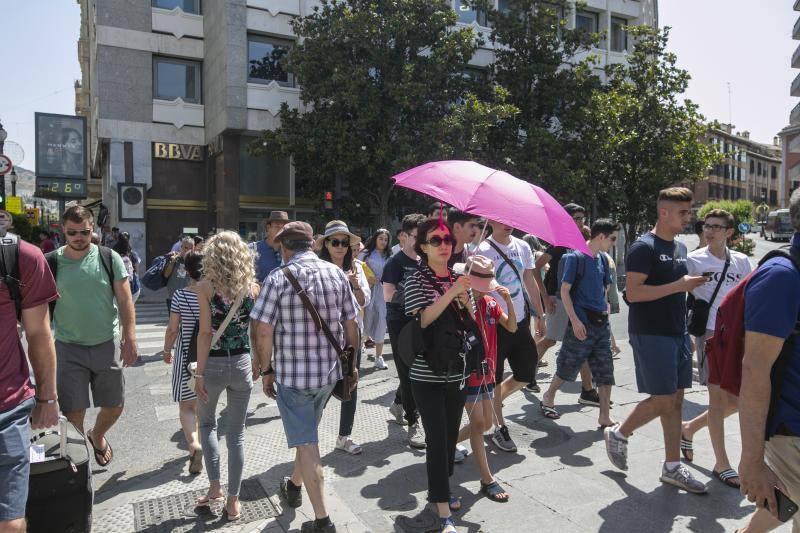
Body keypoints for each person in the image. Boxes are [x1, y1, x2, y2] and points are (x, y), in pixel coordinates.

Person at [251, 221, 359, 533]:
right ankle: (295, 486)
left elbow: (263, 330)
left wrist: (266, 369)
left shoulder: (277, 278)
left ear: (285, 248)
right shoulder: (336, 273)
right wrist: (351, 365)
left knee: (308, 444)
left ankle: (324, 520)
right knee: (307, 436)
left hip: (294, 378)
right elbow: (352, 323)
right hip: (328, 374)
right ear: (312, 244)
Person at [604, 187, 708, 493]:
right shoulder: (643, 247)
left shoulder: (680, 248)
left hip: (676, 331)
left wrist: (686, 329)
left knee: (674, 401)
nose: (689, 218)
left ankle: (672, 467)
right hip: (650, 332)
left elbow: (676, 291)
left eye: (689, 211)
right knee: (663, 399)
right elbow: (634, 293)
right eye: (683, 212)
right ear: (664, 212)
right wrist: (680, 285)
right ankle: (620, 433)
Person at [50, 205, 138, 467]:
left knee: (114, 405)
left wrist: (130, 336)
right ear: (63, 230)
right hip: (68, 346)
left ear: (93, 230)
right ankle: (81, 467)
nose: (79, 237)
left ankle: (97, 435)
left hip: (105, 343)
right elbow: (38, 308)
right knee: (73, 412)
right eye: (73, 232)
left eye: (85, 232)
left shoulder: (108, 258)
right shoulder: (50, 262)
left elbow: (124, 301)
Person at [737, 188, 800, 532]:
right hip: (792, 434)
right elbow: (754, 369)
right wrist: (751, 460)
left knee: (782, 506)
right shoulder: (781, 277)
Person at [404, 216, 470, 533]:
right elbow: (424, 319)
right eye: (435, 240)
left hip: (456, 371)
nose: (444, 245)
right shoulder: (415, 279)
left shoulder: (459, 278)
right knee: (436, 440)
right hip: (426, 373)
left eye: (447, 240)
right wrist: (451, 293)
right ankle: (443, 513)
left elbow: (469, 325)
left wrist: (467, 300)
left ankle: (439, 492)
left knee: (449, 438)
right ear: (423, 247)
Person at [680, 209, 752, 489]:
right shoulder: (694, 261)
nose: (708, 231)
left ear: (729, 232)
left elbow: (751, 296)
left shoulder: (742, 262)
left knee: (736, 401)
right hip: (710, 334)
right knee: (718, 400)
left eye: (716, 227)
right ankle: (722, 463)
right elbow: (678, 295)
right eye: (706, 226)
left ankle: (689, 428)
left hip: (737, 335)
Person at [193, 231, 259, 521]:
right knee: (237, 435)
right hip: (243, 363)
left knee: (207, 425)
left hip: (215, 366)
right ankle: (234, 502)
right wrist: (259, 362)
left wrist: (199, 373)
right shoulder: (252, 288)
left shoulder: (205, 287)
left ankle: (215, 487)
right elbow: (255, 330)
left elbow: (206, 333)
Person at [0, 230, 60, 532]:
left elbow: (38, 333)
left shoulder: (20, 256)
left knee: (10, 524)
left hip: (7, 412)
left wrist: (48, 398)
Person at [540, 220, 619, 428]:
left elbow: (603, 293)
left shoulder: (602, 259)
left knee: (605, 370)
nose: (613, 243)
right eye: (612, 239)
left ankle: (604, 416)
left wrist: (608, 330)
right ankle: (548, 396)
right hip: (582, 323)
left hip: (600, 323)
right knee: (568, 365)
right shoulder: (575, 257)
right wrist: (574, 321)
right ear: (600, 236)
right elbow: (565, 290)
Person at [477, 220, 546, 453]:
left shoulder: (522, 247)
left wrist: (540, 314)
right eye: (502, 221)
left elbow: (530, 281)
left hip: (520, 319)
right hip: (493, 322)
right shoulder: (481, 249)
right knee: (494, 377)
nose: (508, 225)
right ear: (491, 221)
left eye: (510, 221)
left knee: (527, 372)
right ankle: (499, 426)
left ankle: (495, 402)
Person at [452, 256, 514, 504]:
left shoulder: (489, 302)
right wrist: (466, 304)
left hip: (488, 371)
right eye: (482, 280)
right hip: (469, 371)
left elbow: (510, 327)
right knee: (479, 423)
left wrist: (507, 299)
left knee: (486, 424)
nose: (486, 287)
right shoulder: (459, 301)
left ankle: (444, 444)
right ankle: (487, 478)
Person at [533, 203, 599, 403]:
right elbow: (536, 268)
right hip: (557, 299)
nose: (581, 222)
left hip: (576, 301)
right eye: (576, 218)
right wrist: (545, 297)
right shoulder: (560, 244)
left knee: (582, 342)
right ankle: (526, 373)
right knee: (551, 340)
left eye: (582, 218)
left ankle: (588, 390)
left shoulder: (582, 241)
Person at [317, 220, 371, 455]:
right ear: (326, 244)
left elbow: (364, 302)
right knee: (323, 386)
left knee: (351, 383)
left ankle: (344, 436)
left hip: (350, 335)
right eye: (335, 242)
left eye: (344, 242)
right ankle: (309, 438)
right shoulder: (317, 268)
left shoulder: (357, 267)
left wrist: (356, 285)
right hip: (324, 338)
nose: (340, 246)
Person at [382, 213, 427, 447]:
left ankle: (399, 403)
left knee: (418, 370)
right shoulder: (395, 263)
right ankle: (413, 423)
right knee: (408, 372)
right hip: (401, 323)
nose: (421, 240)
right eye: (417, 236)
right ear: (404, 236)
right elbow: (388, 295)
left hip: (425, 322)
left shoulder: (426, 260)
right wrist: (417, 299)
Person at [162, 251, 205, 475]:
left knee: (187, 407)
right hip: (210, 358)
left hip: (187, 357)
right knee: (202, 405)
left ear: (186, 271)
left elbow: (172, 329)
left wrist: (167, 350)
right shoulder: (215, 294)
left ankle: (194, 445)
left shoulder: (181, 295)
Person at [360, 228, 391, 370]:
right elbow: (356, 268)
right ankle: (359, 353)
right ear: (375, 239)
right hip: (367, 290)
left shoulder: (389, 256)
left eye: (386, 239)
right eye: (381, 239)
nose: (383, 242)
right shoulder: (365, 254)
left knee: (381, 322)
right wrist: (367, 278)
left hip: (383, 292)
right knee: (364, 320)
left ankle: (379, 357)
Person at [251, 211, 291, 282]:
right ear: (268, 228)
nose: (281, 230)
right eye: (277, 226)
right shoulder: (253, 249)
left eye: (284, 227)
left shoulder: (292, 251)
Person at [164, 237, 194, 313]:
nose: (188, 250)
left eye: (190, 248)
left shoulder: (194, 261)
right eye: (185, 248)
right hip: (172, 297)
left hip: (188, 297)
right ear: (181, 247)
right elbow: (166, 275)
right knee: (173, 323)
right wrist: (172, 262)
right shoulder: (174, 258)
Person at [113, 233, 141, 303]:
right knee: (128, 310)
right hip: (133, 288)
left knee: (117, 311)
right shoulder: (132, 254)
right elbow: (137, 271)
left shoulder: (113, 253)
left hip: (116, 288)